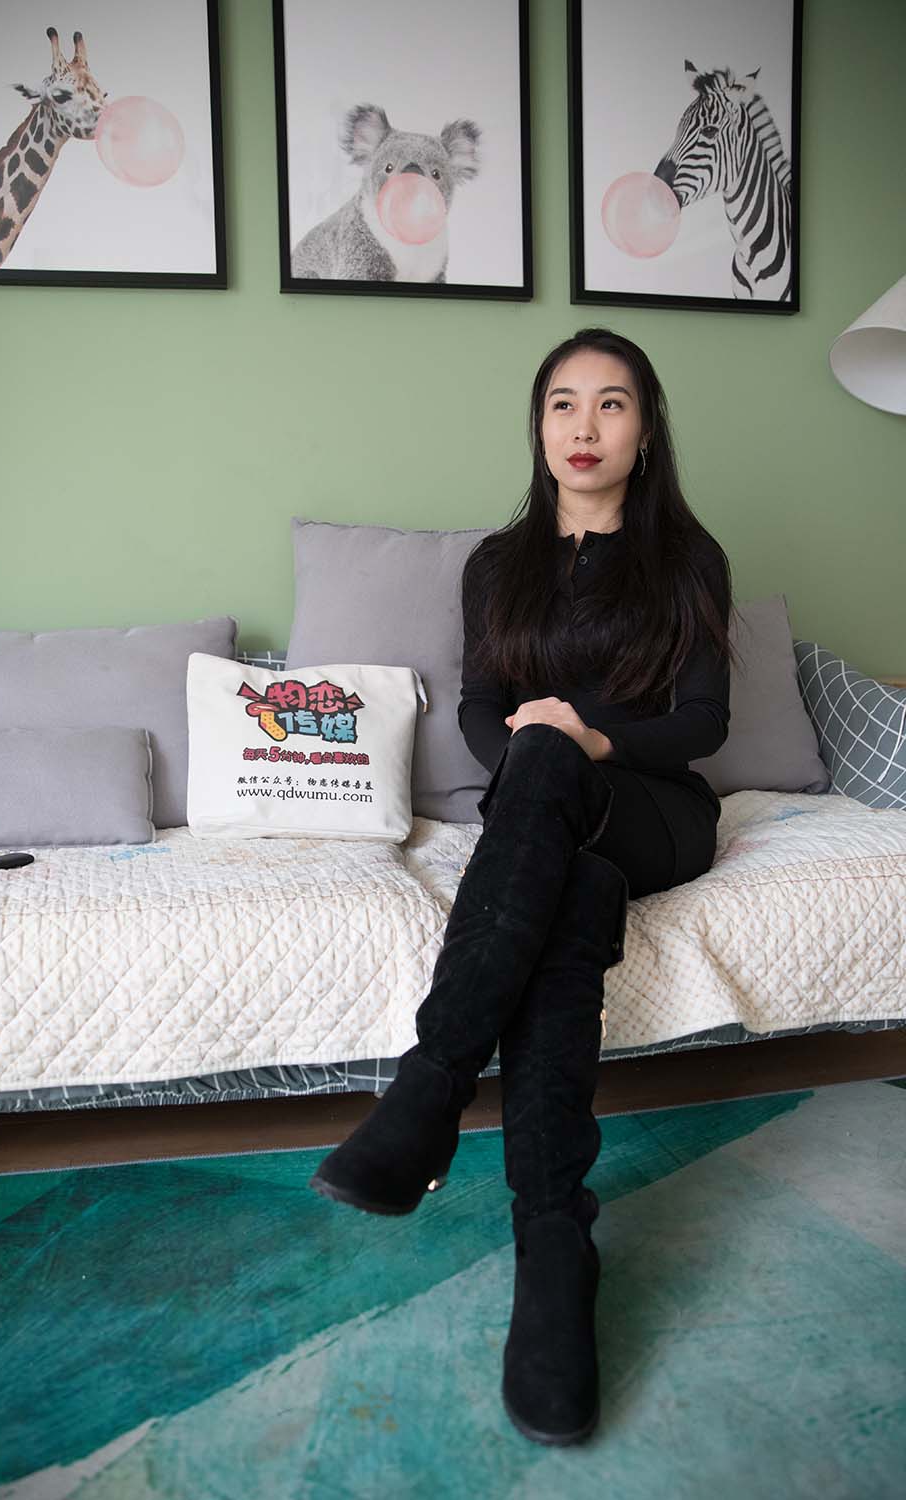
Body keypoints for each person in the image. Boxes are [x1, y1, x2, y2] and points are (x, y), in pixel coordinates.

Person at [309, 327, 739, 1448]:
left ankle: (432, 1089)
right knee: (572, 898)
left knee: (548, 757)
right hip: (550, 822)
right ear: (538, 426)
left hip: (655, 808)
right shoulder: (498, 567)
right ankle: (555, 1250)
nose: (584, 426)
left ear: (645, 431)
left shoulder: (689, 558)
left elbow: (703, 724)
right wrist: (534, 764)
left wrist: (584, 741)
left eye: (611, 404)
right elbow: (473, 708)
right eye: (563, 403)